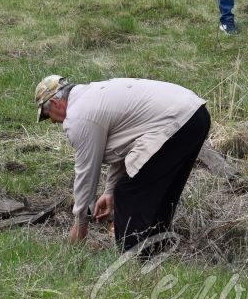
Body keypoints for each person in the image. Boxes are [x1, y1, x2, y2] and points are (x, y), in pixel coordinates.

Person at [35, 75, 210, 254]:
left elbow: (86, 173)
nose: (55, 122)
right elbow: (126, 145)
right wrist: (109, 191)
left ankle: (134, 258)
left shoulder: (78, 117)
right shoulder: (92, 97)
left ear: (56, 103)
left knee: (129, 192)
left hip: (177, 121)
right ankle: (156, 248)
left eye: (49, 116)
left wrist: (80, 225)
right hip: (195, 115)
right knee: (162, 192)